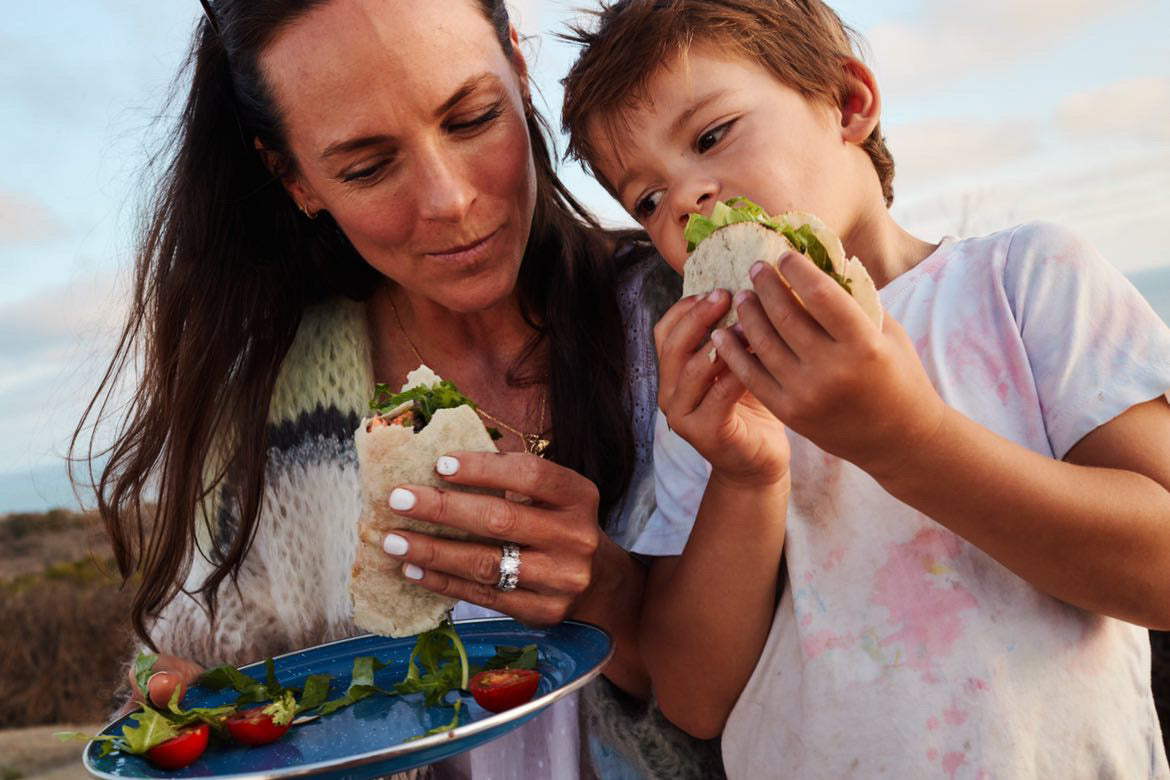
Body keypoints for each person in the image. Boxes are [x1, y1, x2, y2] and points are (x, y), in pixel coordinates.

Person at [71, 0, 722, 777]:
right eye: (369, 167)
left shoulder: (693, 318)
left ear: (518, 64)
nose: (449, 200)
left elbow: (818, 684)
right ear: (294, 179)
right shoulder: (266, 412)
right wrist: (184, 721)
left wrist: (613, 592)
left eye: (473, 117)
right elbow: (196, 683)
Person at [560, 0, 1170, 776]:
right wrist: (747, 475)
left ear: (848, 104)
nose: (682, 201)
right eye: (646, 199)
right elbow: (692, 698)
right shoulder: (719, 392)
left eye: (712, 136)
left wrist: (909, 441)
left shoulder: (1025, 283)